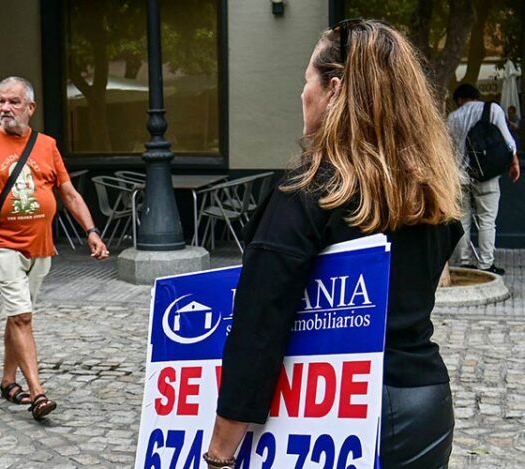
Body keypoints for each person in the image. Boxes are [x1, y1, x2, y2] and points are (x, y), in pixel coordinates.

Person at [203, 20, 463, 469]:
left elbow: (258, 328)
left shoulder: (305, 191)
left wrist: (220, 454)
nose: (301, 94)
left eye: (306, 80)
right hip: (425, 404)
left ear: (334, 88)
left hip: (338, 411)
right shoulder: (429, 193)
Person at [0, 76, 109, 420]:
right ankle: (38, 392)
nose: (5, 108)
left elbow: (69, 193)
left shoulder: (47, 145)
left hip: (40, 246)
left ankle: (7, 380)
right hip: (2, 245)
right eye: (1, 101)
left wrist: (91, 230)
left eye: (13, 102)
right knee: (23, 317)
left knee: (18, 315)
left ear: (31, 108)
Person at [447, 84, 519, 275]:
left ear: (460, 100)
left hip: (460, 175)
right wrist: (514, 163)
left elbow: (449, 150)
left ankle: (463, 262)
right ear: (476, 96)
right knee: (487, 219)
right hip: (487, 175)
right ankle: (486, 265)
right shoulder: (492, 109)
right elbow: (508, 141)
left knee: (462, 219)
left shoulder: (453, 117)